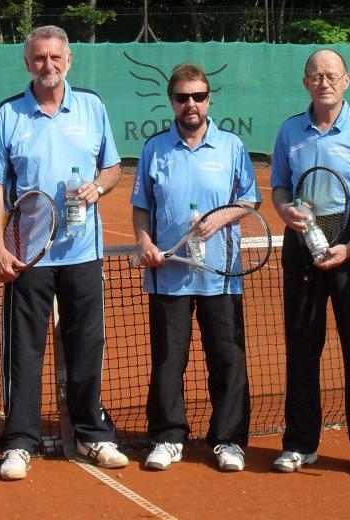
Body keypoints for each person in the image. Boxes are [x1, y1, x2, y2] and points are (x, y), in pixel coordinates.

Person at [0, 25, 127, 480]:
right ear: (28, 62)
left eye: (55, 57)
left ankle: (92, 434)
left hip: (84, 253)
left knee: (87, 347)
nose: (48, 65)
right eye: (40, 58)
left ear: (69, 60)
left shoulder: (92, 106)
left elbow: (113, 167)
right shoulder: (7, 114)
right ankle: (19, 442)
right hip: (28, 257)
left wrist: (98, 187)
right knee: (23, 351)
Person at [270, 48, 350, 478]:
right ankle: (299, 444)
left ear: (346, 81)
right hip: (302, 240)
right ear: (305, 83)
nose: (323, 81)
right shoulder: (290, 130)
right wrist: (285, 211)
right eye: (316, 75)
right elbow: (280, 187)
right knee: (302, 349)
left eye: (331, 75)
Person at [131, 63, 260, 472]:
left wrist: (221, 218)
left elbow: (249, 199)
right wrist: (145, 243)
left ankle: (229, 440)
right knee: (169, 361)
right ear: (172, 101)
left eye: (199, 96)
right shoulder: (154, 149)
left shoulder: (232, 146)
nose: (191, 104)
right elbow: (141, 206)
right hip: (167, 276)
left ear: (209, 100)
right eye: (183, 97)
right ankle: (167, 437)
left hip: (221, 276)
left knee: (227, 359)